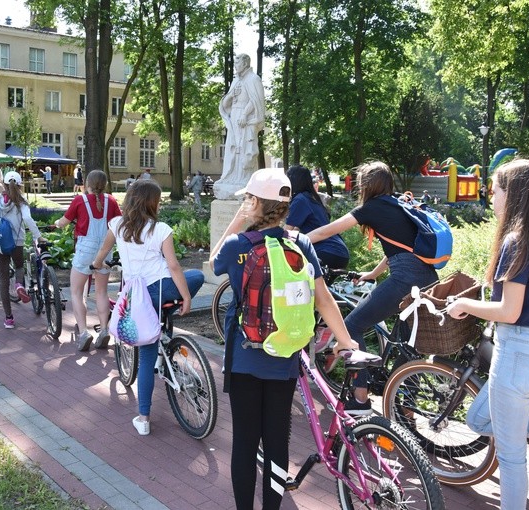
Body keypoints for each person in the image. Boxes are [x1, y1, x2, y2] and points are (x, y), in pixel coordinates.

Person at [209, 168, 357, 509]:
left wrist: (238, 220)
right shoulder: (300, 243)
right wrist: (346, 340)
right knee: (277, 441)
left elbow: (215, 260)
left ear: (257, 203)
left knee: (245, 442)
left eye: (248, 198)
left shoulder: (237, 246)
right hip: (286, 354)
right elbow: (323, 299)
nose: (245, 203)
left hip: (244, 355)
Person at [445, 159, 529, 510]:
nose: (492, 198)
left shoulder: (515, 241)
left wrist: (465, 305)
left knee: (511, 458)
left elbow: (510, 311)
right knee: (478, 418)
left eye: (496, 191)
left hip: (517, 354)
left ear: (515, 195)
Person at [307, 161, 439, 415]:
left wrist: (297, 240)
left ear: (366, 186)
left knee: (352, 326)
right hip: (429, 278)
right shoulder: (400, 203)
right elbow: (402, 247)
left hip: (405, 280)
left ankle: (360, 398)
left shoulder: (372, 208)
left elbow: (327, 231)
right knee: (409, 343)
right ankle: (406, 408)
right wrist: (374, 274)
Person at [92, 179, 205, 436]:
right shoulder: (161, 228)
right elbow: (174, 267)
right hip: (164, 290)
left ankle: (143, 417)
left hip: (138, 299)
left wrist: (98, 264)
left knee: (146, 358)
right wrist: (186, 297)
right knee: (196, 275)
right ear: (152, 203)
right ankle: (166, 317)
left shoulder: (117, 225)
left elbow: (103, 251)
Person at [53, 170, 121, 350]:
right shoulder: (111, 201)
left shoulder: (79, 200)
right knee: (101, 292)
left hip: (85, 250)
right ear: (105, 184)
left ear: (87, 184)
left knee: (75, 291)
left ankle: (83, 332)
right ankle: (104, 330)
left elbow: (65, 221)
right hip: (105, 250)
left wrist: (58, 224)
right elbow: (119, 224)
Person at [0, 171, 45, 329]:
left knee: (3, 279)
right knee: (19, 266)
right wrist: (38, 236)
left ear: (4, 184)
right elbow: (27, 219)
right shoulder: (21, 201)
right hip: (16, 241)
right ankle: (19, 284)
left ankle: (9, 318)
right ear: (20, 185)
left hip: (0, 242)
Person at [214, 53, 266, 200]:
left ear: (245, 64)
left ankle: (243, 178)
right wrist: (230, 96)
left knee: (244, 149)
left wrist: (245, 114)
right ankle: (230, 177)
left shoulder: (254, 79)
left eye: (237, 63)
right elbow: (225, 105)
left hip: (246, 119)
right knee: (232, 147)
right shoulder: (236, 81)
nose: (235, 66)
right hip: (234, 118)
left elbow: (256, 101)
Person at [285, 164, 350, 270]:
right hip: (340, 252)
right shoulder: (311, 198)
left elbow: (286, 233)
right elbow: (295, 231)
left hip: (326, 251)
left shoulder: (300, 200)